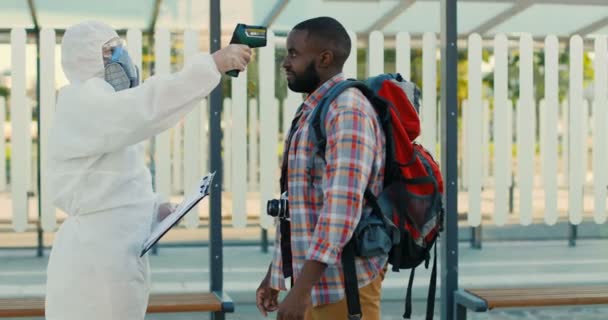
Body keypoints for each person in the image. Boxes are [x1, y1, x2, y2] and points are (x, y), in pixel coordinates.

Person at [44, 20, 251, 320]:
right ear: (88, 58)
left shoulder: (102, 106)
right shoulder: (83, 102)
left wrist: (154, 211)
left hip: (112, 256)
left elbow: (109, 182)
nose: (122, 58)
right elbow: (148, 107)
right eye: (111, 50)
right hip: (96, 263)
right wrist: (211, 65)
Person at [256, 17, 387, 320]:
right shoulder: (314, 109)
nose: (285, 63)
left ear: (325, 58)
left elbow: (341, 208)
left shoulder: (348, 111)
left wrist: (300, 290)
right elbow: (299, 205)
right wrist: (277, 275)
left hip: (344, 286)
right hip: (314, 283)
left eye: (293, 53)